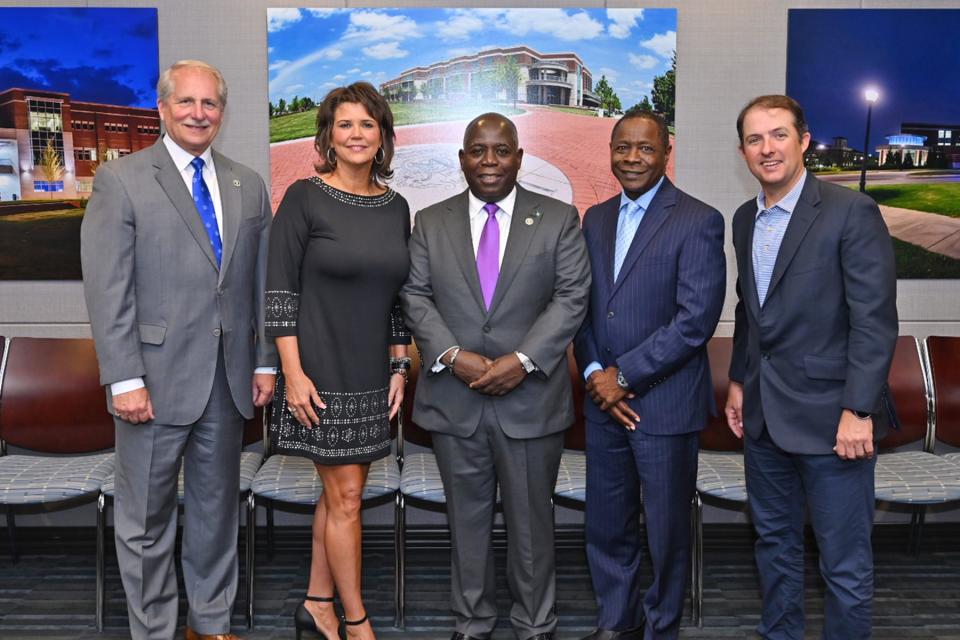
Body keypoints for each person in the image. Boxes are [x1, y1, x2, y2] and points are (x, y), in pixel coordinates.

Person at [81, 60, 276, 640]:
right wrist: (123, 378)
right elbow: (107, 287)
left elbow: (262, 284)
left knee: (215, 516)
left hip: (227, 381)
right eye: (186, 102)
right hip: (151, 381)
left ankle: (209, 624)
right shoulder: (123, 180)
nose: (198, 113)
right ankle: (156, 629)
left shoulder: (247, 183)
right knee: (145, 520)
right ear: (162, 108)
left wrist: (264, 358)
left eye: (210, 103)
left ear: (222, 111)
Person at [400, 113, 590, 640]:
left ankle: (535, 624)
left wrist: (524, 359)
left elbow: (572, 295)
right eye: (478, 151)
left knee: (532, 527)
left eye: (501, 151)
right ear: (462, 159)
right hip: (454, 399)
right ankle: (473, 622)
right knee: (467, 524)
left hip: (530, 399)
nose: (489, 161)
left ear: (519, 158)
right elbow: (415, 294)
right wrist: (450, 354)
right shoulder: (431, 221)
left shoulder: (557, 218)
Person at [725, 95, 898, 639]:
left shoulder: (851, 211)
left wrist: (858, 409)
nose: (767, 148)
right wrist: (736, 382)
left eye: (778, 135)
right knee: (774, 546)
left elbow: (874, 320)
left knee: (843, 562)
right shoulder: (745, 218)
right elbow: (749, 308)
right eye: (755, 139)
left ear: (803, 141)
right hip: (763, 418)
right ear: (743, 151)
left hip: (833, 421)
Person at [265, 81, 410, 640]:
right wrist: (293, 376)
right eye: (344, 124)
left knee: (338, 495)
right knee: (348, 497)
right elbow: (279, 294)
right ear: (327, 135)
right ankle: (357, 621)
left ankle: (316, 602)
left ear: (382, 136)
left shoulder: (396, 207)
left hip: (372, 374)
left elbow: (398, 295)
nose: (356, 134)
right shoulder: (303, 197)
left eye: (367, 125)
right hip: (317, 372)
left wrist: (400, 366)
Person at [574, 109, 726, 640]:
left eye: (644, 148)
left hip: (663, 404)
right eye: (622, 147)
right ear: (611, 151)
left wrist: (625, 375)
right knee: (607, 525)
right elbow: (583, 308)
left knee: (665, 531)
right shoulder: (593, 219)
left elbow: (695, 321)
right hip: (602, 403)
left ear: (666, 153)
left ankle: (662, 628)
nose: (632, 157)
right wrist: (596, 371)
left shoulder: (698, 219)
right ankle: (617, 622)